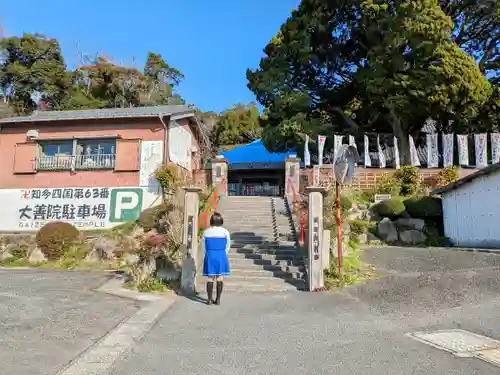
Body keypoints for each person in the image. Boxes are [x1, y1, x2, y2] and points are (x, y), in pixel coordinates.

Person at [202, 212, 231, 305]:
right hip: (221, 255)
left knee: (210, 277)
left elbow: (203, 246)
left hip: (210, 254)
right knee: (220, 277)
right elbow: (228, 245)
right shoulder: (225, 232)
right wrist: (223, 253)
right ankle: (218, 299)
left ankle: (209, 299)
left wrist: (207, 254)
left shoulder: (206, 232)